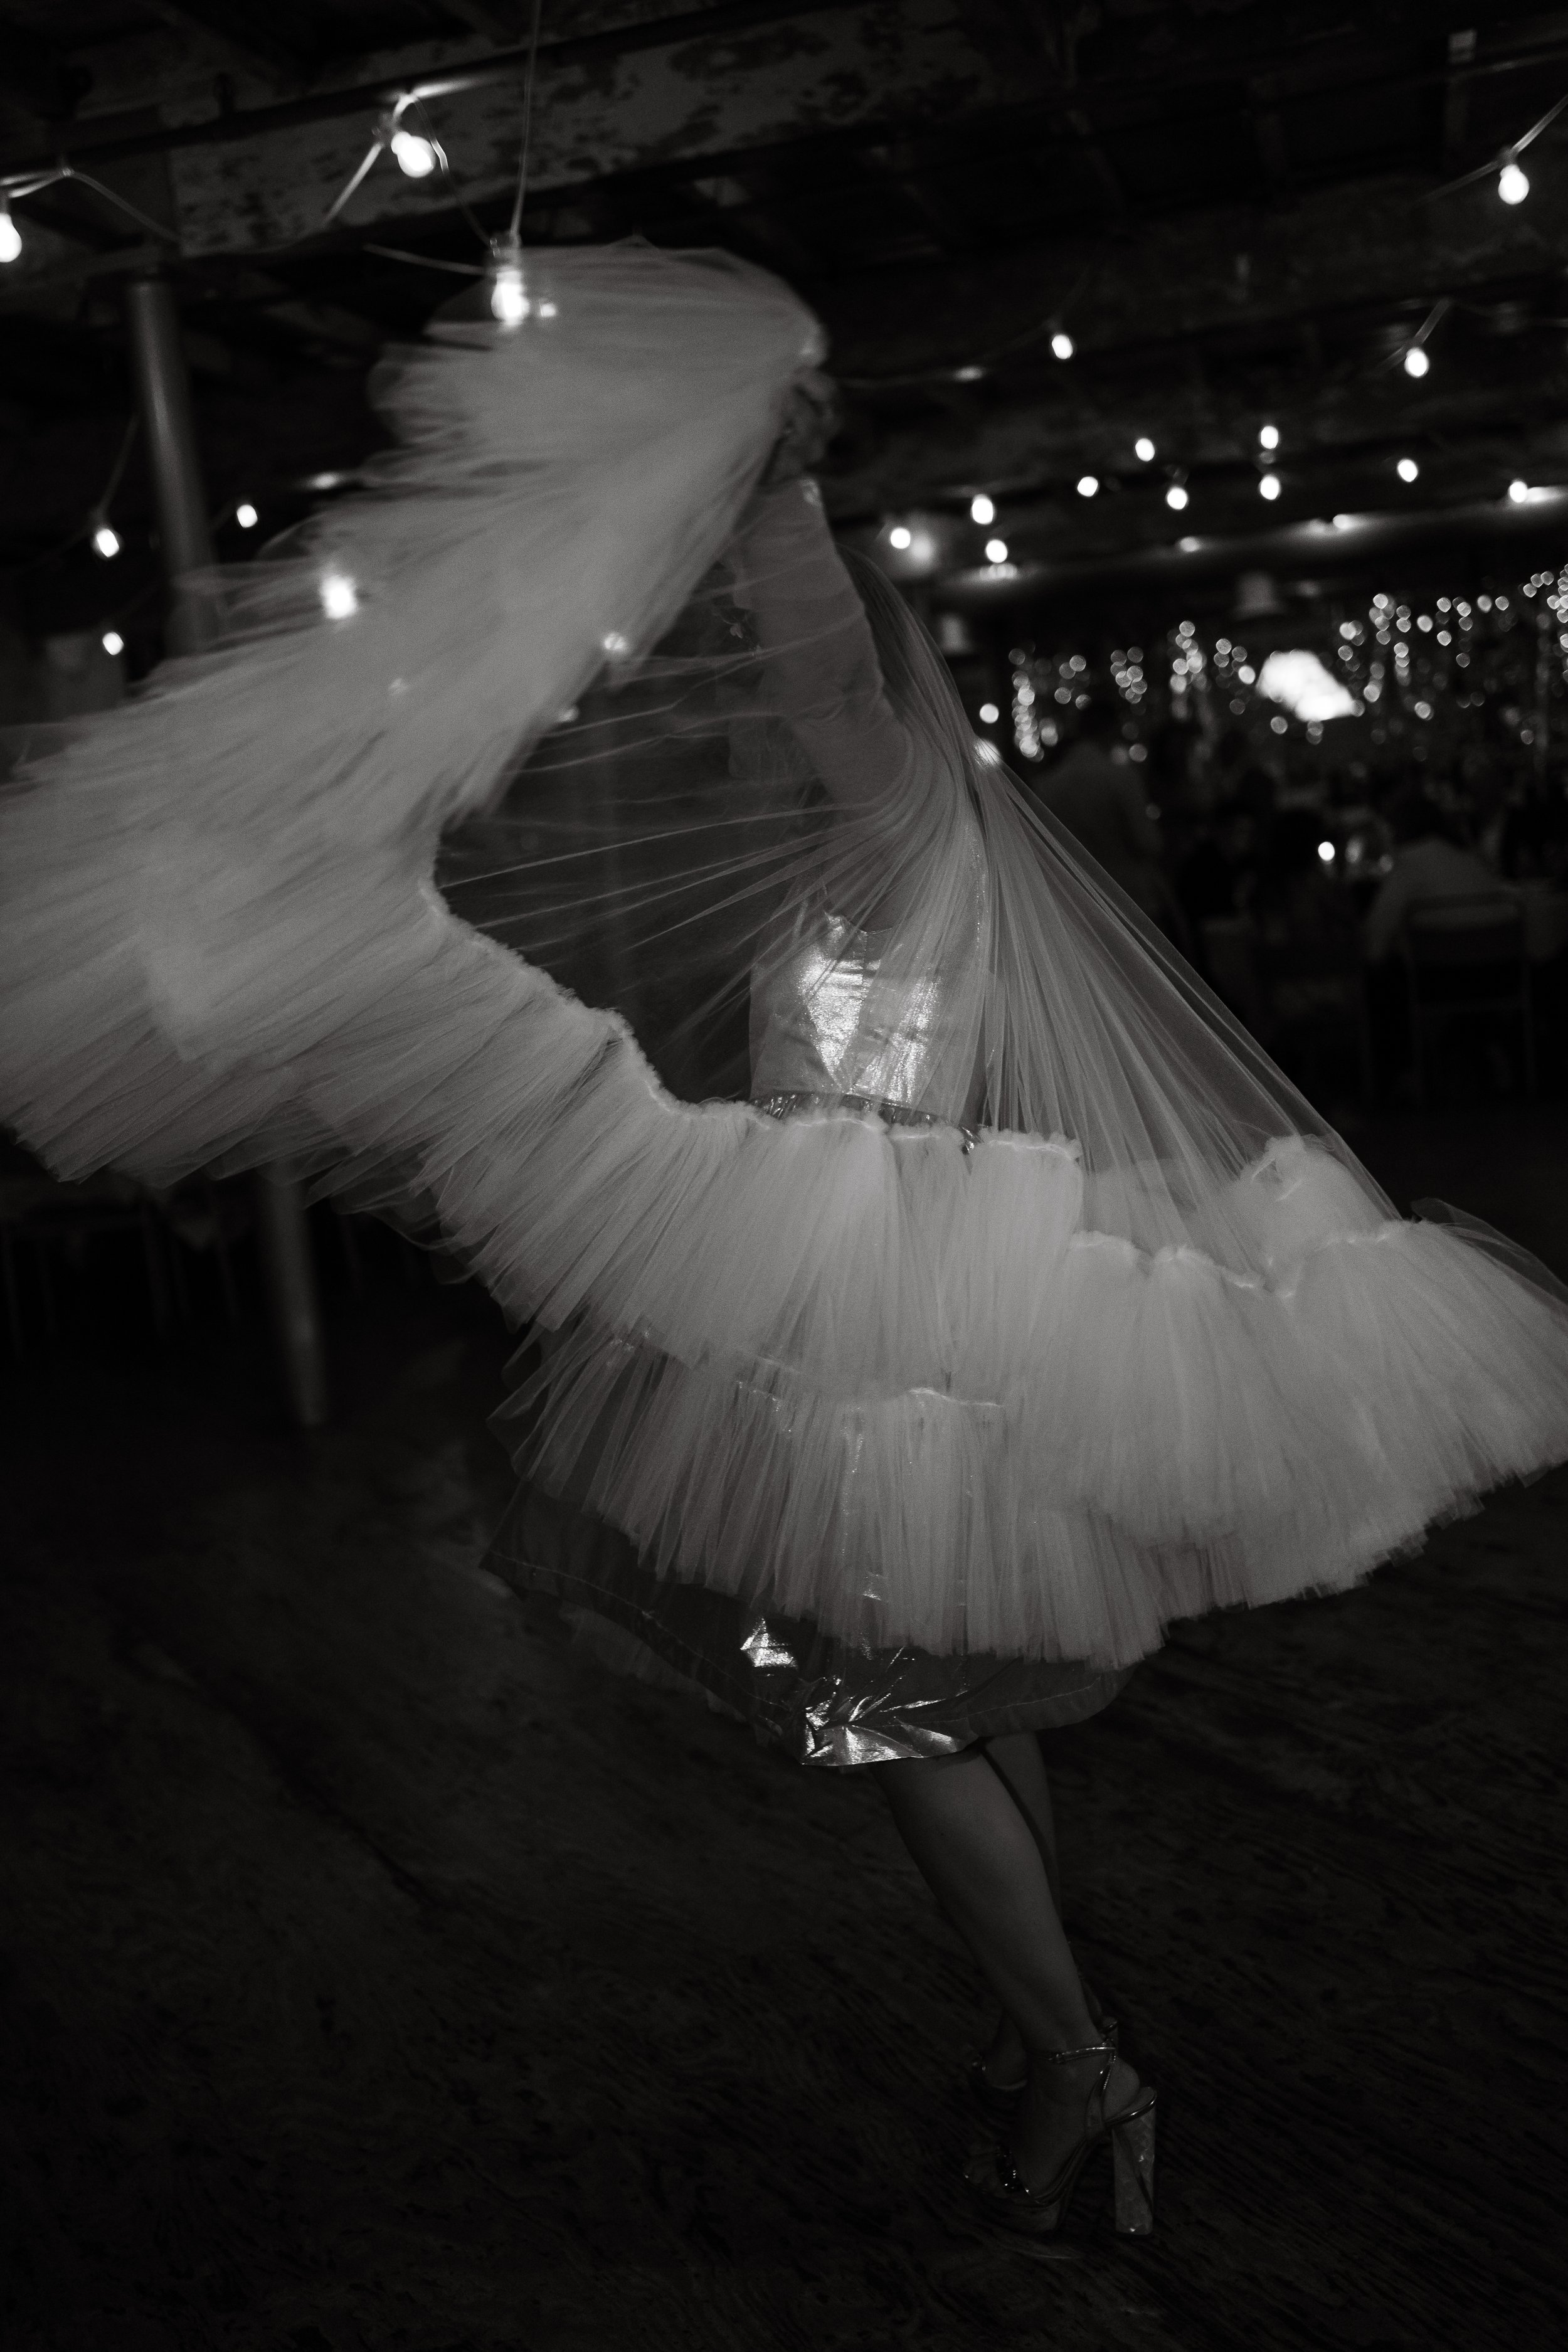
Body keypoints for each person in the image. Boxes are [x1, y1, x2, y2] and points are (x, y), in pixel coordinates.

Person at [4, 241, 1568, 2260]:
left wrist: (766, 489)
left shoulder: (889, 784)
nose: (739, 701)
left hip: (876, 1321)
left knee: (894, 1718)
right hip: (871, 1306)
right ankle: (1050, 2045)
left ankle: (1076, 2063)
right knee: (959, 1697)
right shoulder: (865, 842)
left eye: (766, 678)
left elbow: (819, 667)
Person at [1362, 788, 1512, 964]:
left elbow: (1376, 936)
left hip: (1441, 981)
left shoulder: (1412, 861)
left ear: (1401, 827)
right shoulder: (1468, 857)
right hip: (1501, 975)